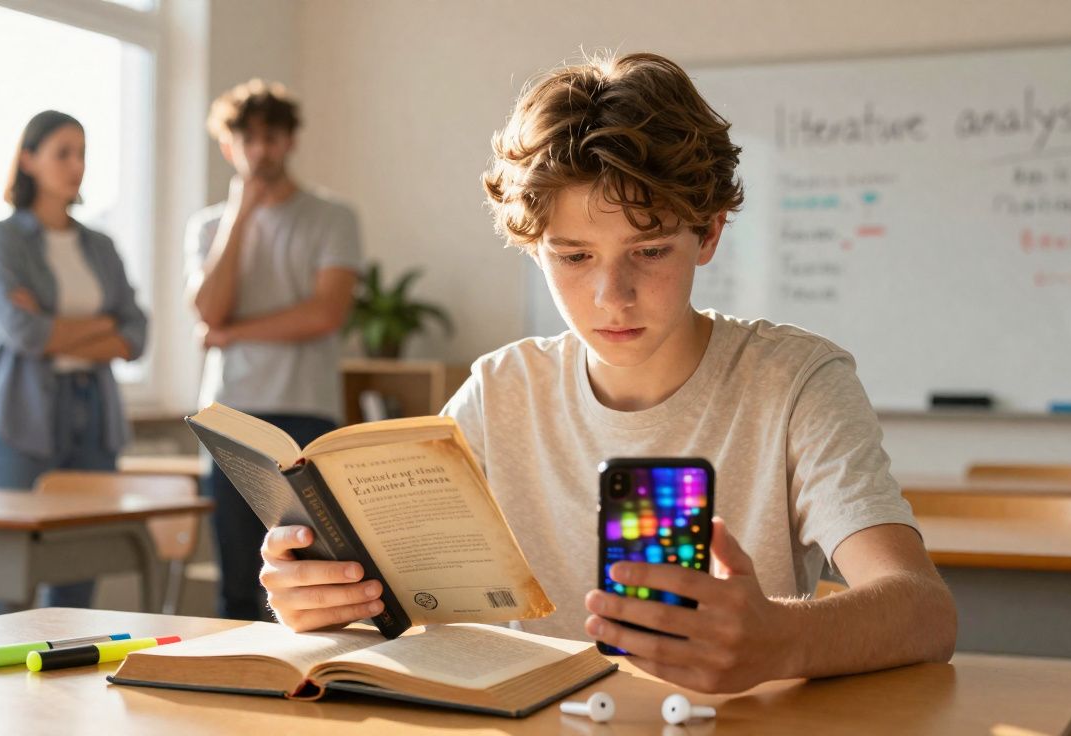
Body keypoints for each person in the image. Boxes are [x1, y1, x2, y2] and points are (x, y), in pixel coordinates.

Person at [256, 52, 956, 692]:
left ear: (709, 232)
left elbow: (925, 612)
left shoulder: (797, 382)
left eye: (648, 252)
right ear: (534, 249)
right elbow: (397, 598)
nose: (611, 297)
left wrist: (784, 639)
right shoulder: (501, 390)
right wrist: (322, 594)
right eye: (574, 256)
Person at [187, 79, 363, 620]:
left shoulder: (332, 217)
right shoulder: (209, 226)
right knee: (238, 581)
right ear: (228, 147)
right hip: (229, 419)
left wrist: (234, 333)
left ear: (290, 141)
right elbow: (208, 311)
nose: (260, 149)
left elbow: (324, 314)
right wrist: (242, 212)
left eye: (272, 136)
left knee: (312, 576)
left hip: (305, 413)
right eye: (248, 139)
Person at [0, 110, 148, 617]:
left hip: (94, 415)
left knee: (77, 575)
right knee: (0, 577)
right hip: (20, 416)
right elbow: (22, 332)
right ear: (28, 160)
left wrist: (54, 325)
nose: (76, 166)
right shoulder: (1, 239)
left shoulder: (101, 246)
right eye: (63, 153)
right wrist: (101, 325)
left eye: (83, 154)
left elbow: (136, 334)